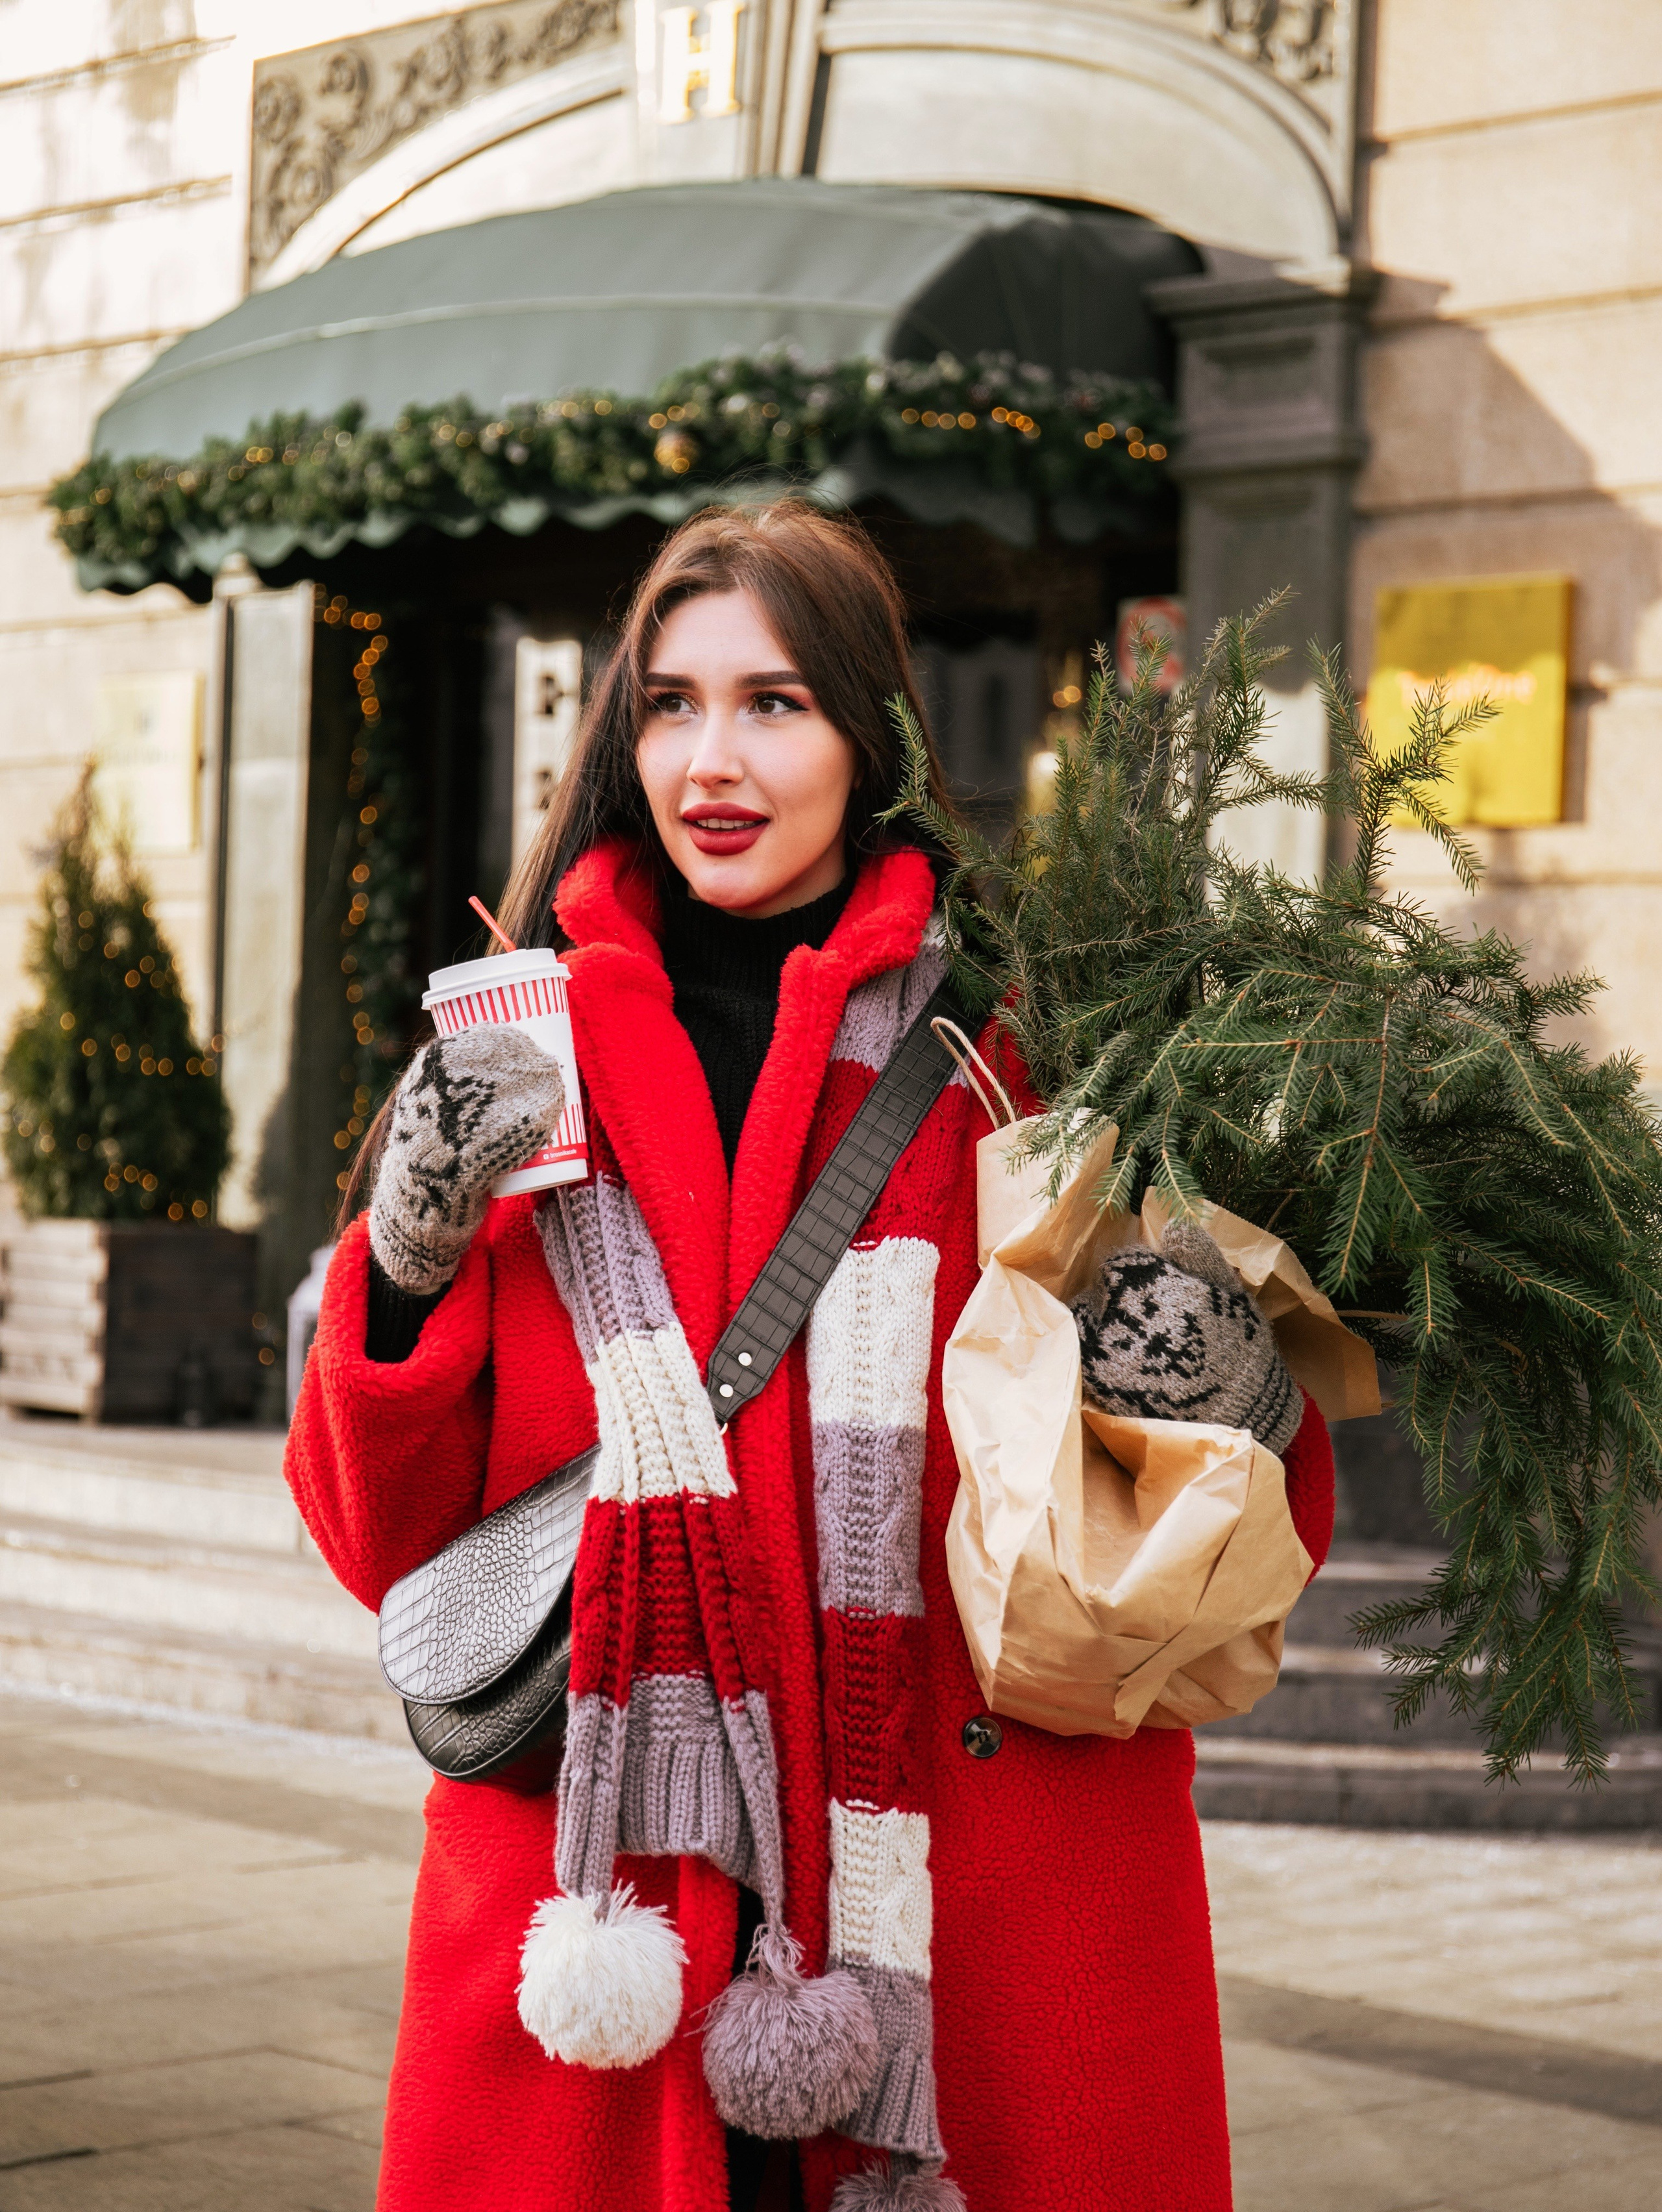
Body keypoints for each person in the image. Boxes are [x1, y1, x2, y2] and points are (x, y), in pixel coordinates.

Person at [286, 502, 1335, 2212]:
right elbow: (378, 1537)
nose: (717, 754)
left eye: (776, 702)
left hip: (985, 1905)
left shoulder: (1026, 1054)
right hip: (610, 1916)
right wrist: (403, 1258)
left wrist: (1215, 1364)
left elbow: (1234, 1531)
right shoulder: (510, 1056)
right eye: (672, 702)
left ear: (871, 734)